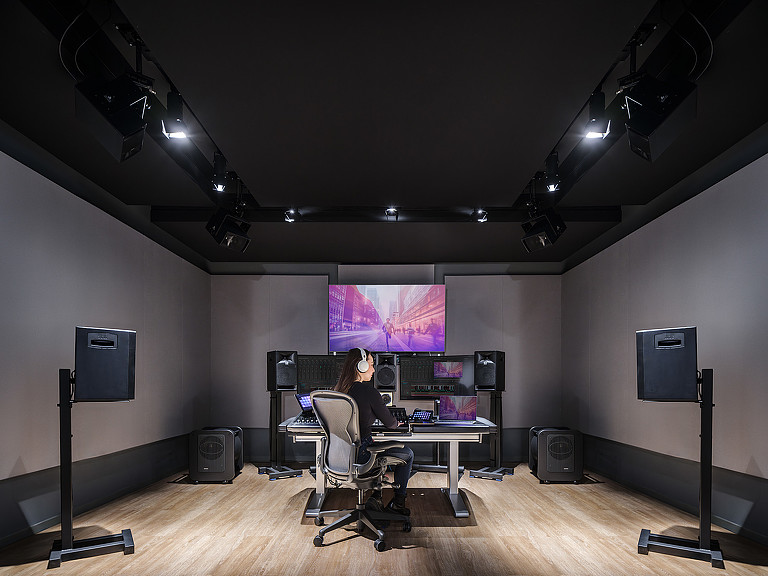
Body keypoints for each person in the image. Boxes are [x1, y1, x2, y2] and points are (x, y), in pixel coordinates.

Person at [333, 347, 414, 515]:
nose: (373, 369)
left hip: (338, 456)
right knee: (407, 453)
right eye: (370, 364)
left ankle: (376, 496)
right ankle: (398, 503)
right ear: (360, 366)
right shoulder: (370, 392)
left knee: (379, 452)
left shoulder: (336, 392)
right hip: (362, 455)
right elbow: (391, 424)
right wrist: (396, 422)